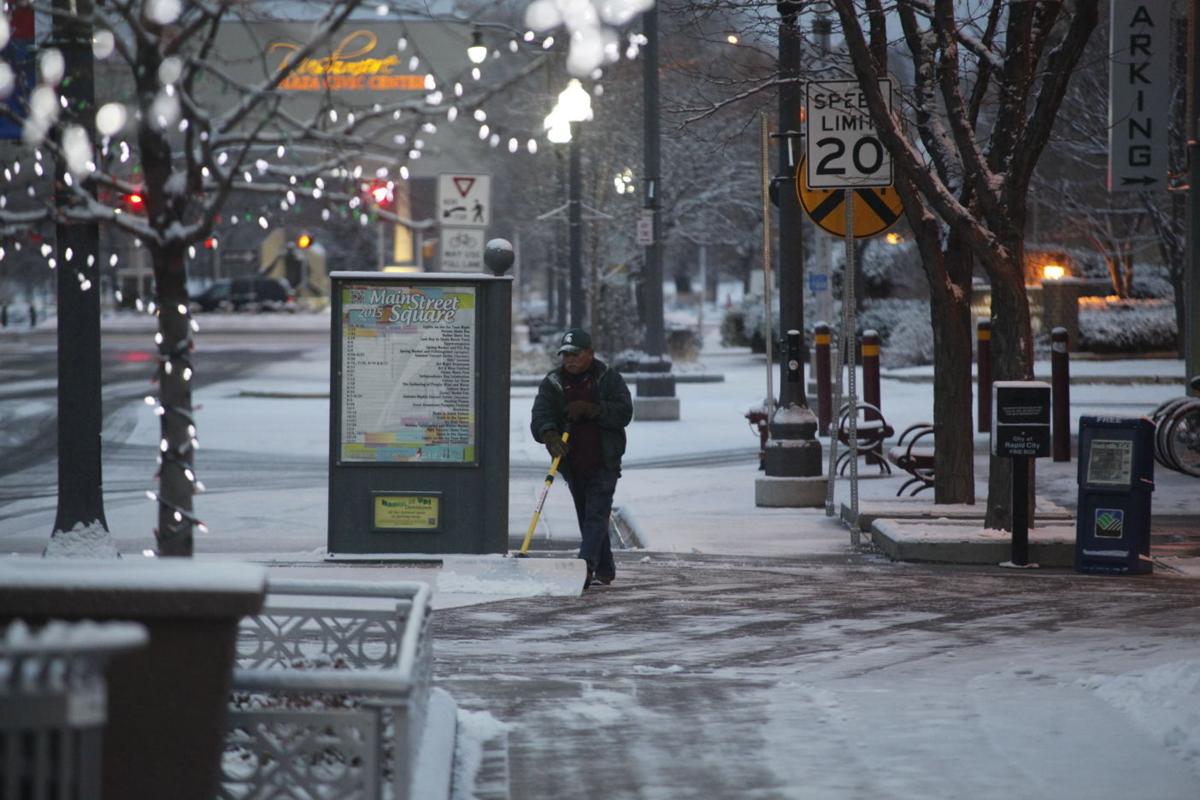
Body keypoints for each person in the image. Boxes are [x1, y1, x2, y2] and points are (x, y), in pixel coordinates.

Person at [530, 328, 633, 589]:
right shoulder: (553, 382)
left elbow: (624, 413)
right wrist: (549, 435)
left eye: (575, 355)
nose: (570, 360)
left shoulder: (608, 378)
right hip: (571, 462)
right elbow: (540, 415)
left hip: (604, 461)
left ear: (590, 354)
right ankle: (605, 569)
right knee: (588, 514)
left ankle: (585, 567)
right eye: (566, 355)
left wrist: (593, 409)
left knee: (595, 513)